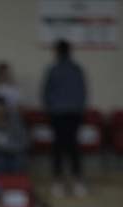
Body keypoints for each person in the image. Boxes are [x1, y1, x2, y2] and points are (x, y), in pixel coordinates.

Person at [41, 40, 88, 196]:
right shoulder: (76, 69)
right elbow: (83, 93)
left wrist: (50, 109)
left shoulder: (54, 69)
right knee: (72, 146)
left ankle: (59, 182)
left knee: (59, 147)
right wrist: (80, 111)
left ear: (57, 51)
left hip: (59, 114)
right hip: (72, 113)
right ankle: (76, 181)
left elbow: (46, 93)